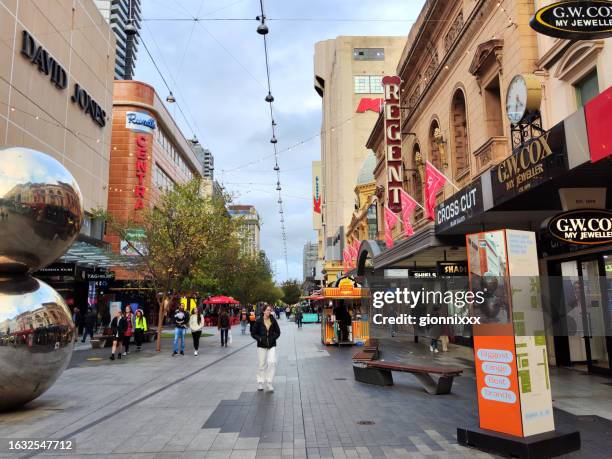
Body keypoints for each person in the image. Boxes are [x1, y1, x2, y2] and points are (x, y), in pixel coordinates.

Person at [250, 305, 281, 392]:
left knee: (272, 362)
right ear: (263, 311)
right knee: (262, 364)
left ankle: (269, 382)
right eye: (267, 310)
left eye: (270, 310)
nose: (269, 312)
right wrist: (259, 338)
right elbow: (253, 333)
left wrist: (272, 338)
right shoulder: (259, 321)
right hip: (261, 345)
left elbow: (278, 332)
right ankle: (260, 382)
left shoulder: (273, 320)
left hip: (272, 345)